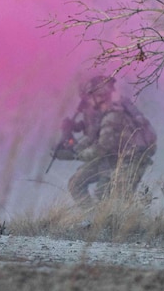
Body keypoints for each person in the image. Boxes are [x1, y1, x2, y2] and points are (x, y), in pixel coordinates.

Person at [52, 75, 157, 208]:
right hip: (113, 160)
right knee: (77, 184)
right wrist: (73, 146)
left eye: (90, 97)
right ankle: (93, 220)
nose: (88, 102)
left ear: (100, 96)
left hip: (128, 161)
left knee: (114, 204)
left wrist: (74, 154)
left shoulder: (112, 116)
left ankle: (106, 223)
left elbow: (101, 147)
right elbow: (95, 138)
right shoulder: (105, 114)